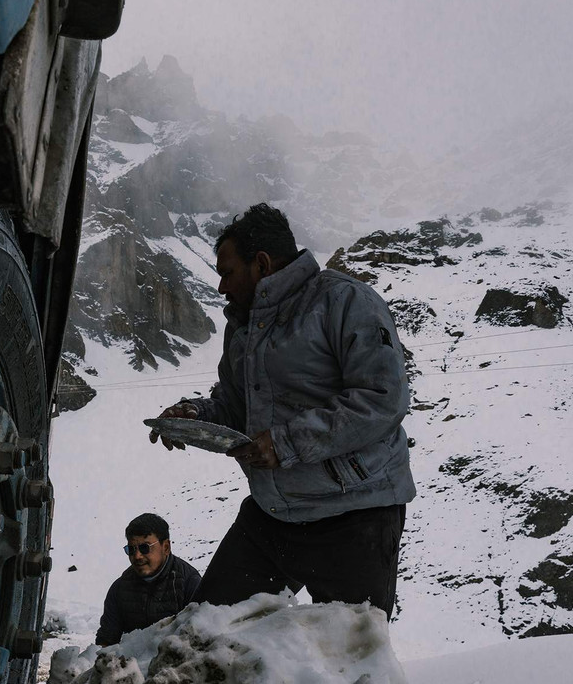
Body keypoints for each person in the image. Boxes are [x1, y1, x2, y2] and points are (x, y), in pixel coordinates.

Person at [150, 203, 414, 617]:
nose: (221, 287)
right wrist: (195, 416)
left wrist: (287, 442)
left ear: (262, 264)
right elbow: (236, 407)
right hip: (274, 512)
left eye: (227, 272)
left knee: (346, 660)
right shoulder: (243, 326)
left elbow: (382, 398)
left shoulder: (345, 300)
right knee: (208, 629)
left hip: (357, 513)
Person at [95, 513, 201, 646]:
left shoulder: (189, 583)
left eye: (145, 548)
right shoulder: (119, 589)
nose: (137, 556)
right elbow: (106, 641)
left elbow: (200, 642)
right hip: (133, 664)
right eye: (131, 549)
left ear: (166, 547)